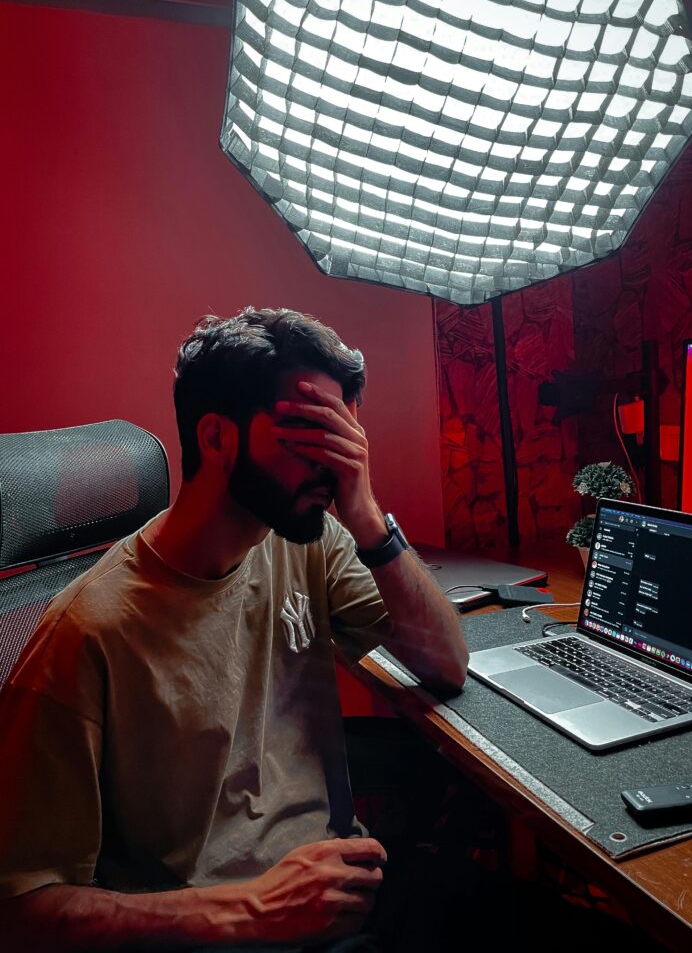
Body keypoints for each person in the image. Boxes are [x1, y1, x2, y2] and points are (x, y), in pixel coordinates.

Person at [0, 307, 469, 951]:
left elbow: (447, 662)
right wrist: (251, 909)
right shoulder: (86, 635)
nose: (333, 465)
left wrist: (363, 510)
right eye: (308, 435)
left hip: (348, 894)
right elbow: (22, 912)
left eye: (342, 437)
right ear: (218, 438)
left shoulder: (309, 539)